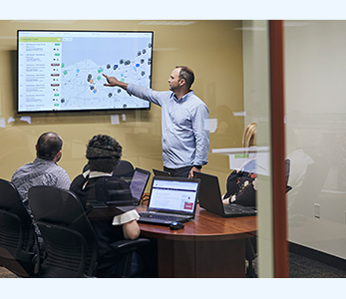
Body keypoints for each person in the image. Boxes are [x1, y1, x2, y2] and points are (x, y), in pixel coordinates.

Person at [103, 66, 209, 178]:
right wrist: (119, 83)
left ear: (182, 82)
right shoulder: (167, 98)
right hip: (168, 166)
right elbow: (145, 93)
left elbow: (202, 138)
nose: (169, 80)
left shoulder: (197, 106)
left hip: (186, 167)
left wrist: (197, 166)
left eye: (172, 78)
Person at [70, 134, 144, 277]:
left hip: (83, 259)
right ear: (117, 162)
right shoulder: (116, 186)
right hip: (108, 260)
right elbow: (132, 233)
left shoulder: (78, 182)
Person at [11, 132, 71, 219]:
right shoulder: (59, 175)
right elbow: (68, 206)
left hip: (18, 227)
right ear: (58, 153)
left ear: (36, 147)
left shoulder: (19, 172)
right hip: (44, 229)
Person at [222, 123, 257, 207]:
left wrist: (226, 201)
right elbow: (232, 191)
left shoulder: (262, 166)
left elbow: (246, 196)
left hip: (250, 213)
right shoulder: (245, 163)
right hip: (235, 208)